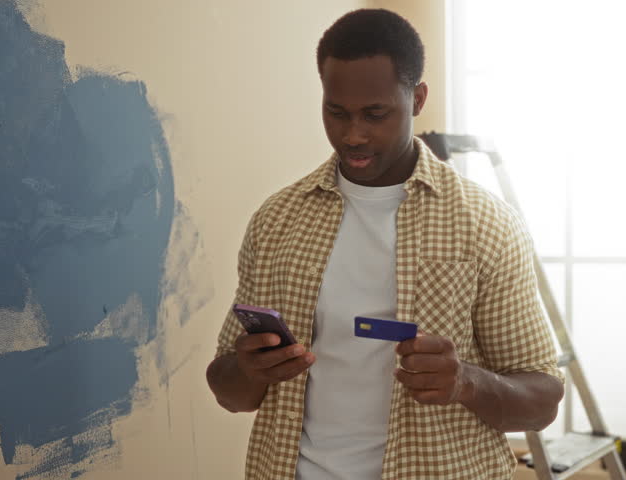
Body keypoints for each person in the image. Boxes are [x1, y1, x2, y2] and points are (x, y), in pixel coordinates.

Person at [206, 8, 564, 480]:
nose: (353, 134)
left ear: (416, 99)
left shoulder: (484, 223)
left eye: (375, 114)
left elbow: (541, 400)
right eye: (336, 112)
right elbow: (229, 391)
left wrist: (466, 383)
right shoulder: (276, 221)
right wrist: (249, 371)